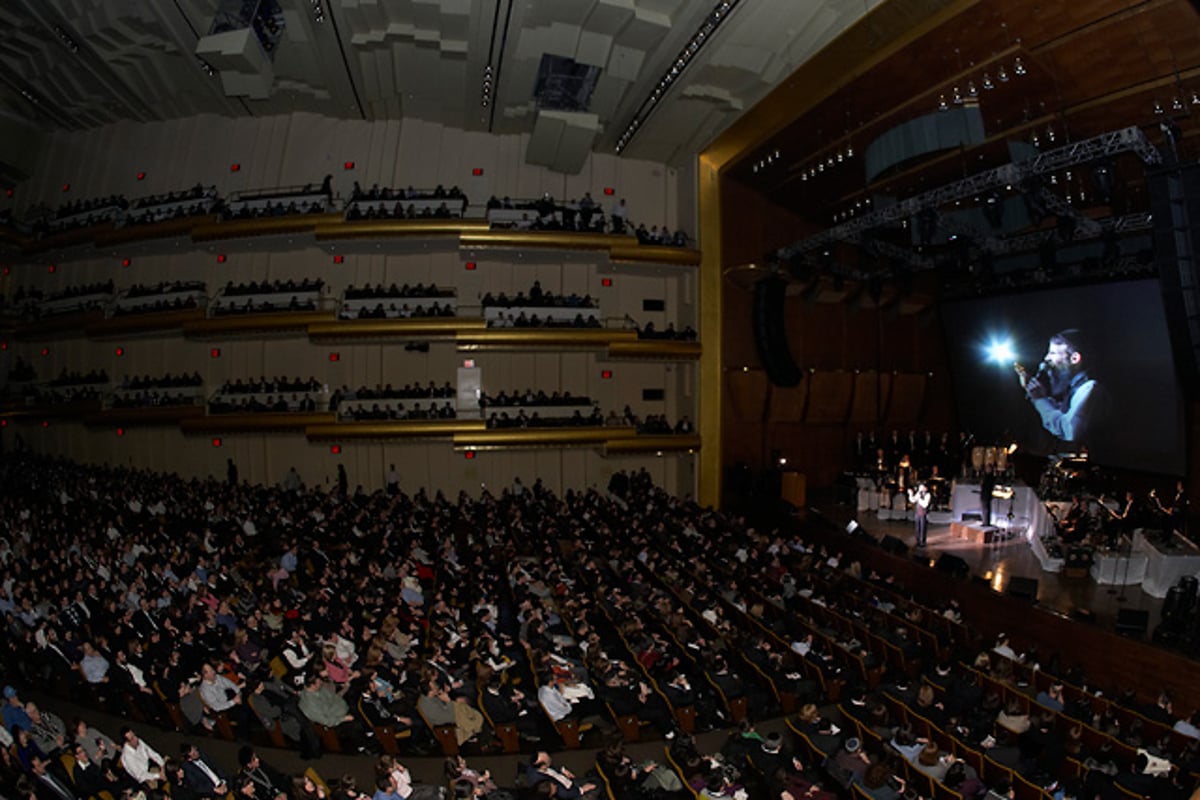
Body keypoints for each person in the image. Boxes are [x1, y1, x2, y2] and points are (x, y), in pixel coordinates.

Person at [1014, 329, 1103, 444]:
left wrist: (1040, 400)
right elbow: (1062, 415)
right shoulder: (1075, 389)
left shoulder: (1090, 389)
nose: (1047, 358)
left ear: (1074, 358)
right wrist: (1039, 396)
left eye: (1053, 353)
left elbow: (1069, 431)